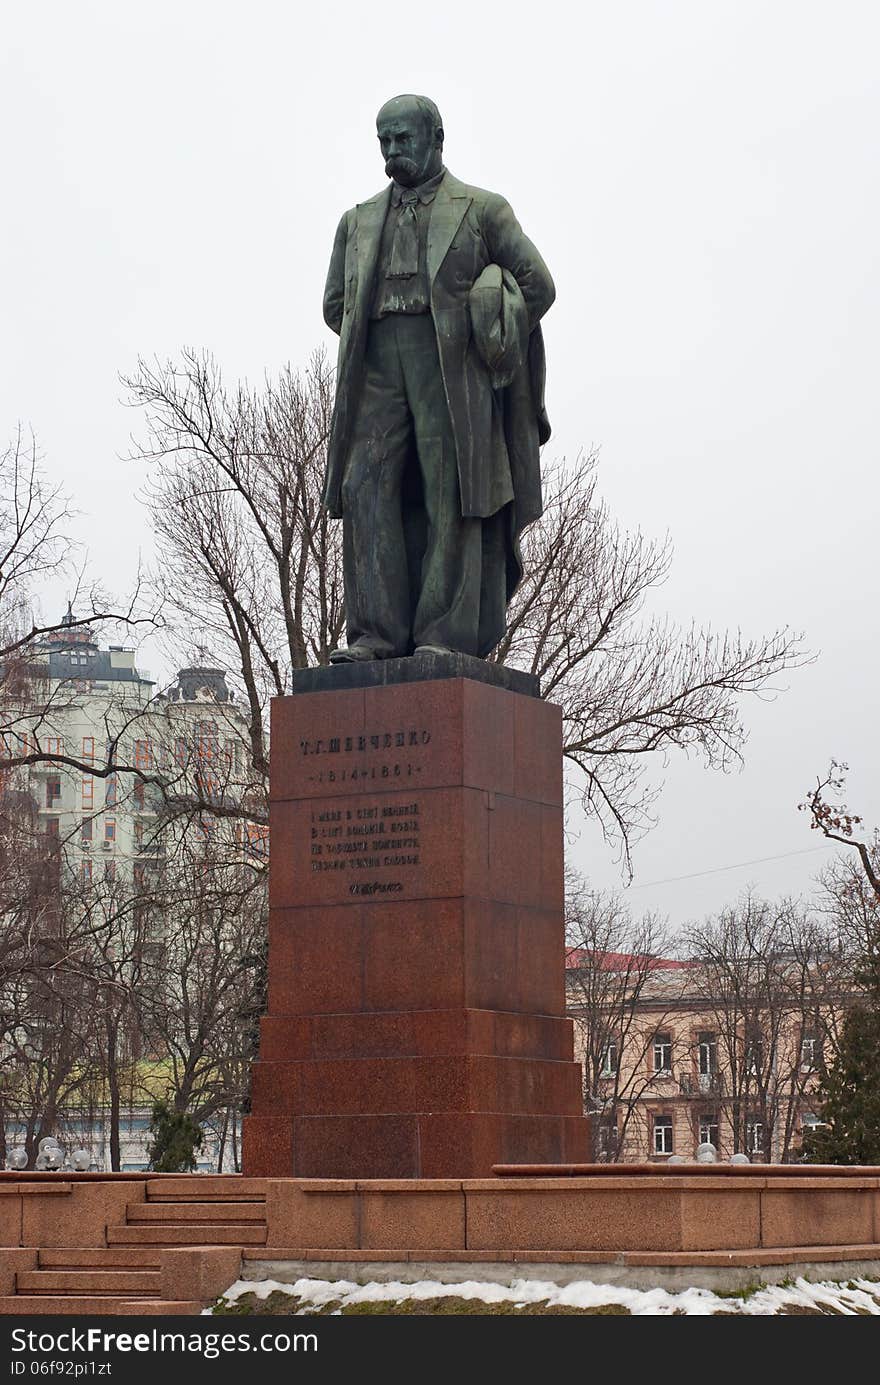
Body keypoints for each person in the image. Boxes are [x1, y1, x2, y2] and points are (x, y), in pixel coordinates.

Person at [323, 93, 555, 662]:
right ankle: (374, 634)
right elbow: (335, 304)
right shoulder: (356, 221)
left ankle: (443, 635)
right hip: (377, 366)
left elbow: (538, 285)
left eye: (403, 139)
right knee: (364, 488)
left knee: (446, 490)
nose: (392, 152)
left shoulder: (482, 210)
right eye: (384, 141)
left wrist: (486, 317)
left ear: (436, 138)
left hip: (448, 368)